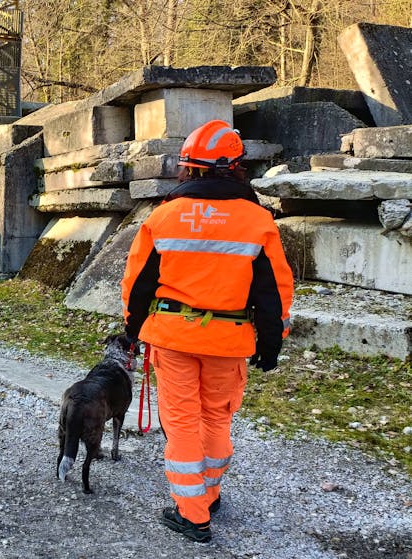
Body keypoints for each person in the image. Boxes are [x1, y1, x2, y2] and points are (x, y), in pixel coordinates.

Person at [120, 120, 294, 543]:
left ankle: (193, 513)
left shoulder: (163, 217)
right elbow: (275, 293)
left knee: (181, 424)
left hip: (173, 337)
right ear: (236, 167)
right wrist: (271, 345)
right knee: (217, 418)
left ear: (187, 168)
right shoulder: (258, 222)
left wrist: (132, 330)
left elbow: (138, 283)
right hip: (228, 340)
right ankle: (209, 496)